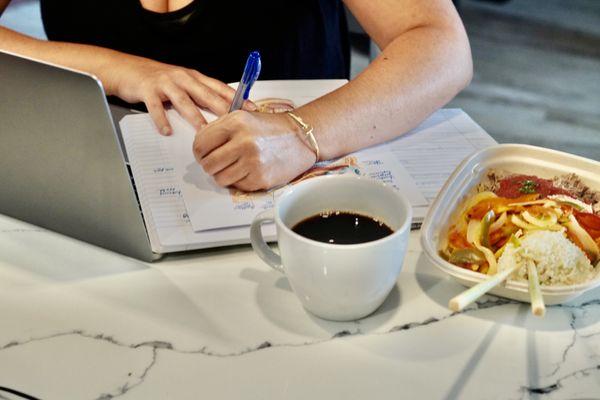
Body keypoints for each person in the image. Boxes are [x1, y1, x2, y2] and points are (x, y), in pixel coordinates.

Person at [0, 0, 472, 191]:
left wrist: (299, 135)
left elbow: (441, 45)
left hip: (289, 197)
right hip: (97, 181)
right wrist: (113, 68)